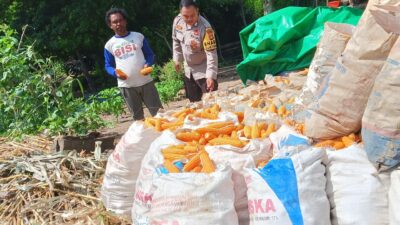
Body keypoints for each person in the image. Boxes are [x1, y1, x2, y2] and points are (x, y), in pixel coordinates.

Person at [104, 8, 162, 120]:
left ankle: (165, 136)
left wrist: (148, 64)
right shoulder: (109, 45)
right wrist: (115, 72)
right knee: (138, 119)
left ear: (125, 21)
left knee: (159, 113)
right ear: (110, 25)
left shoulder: (138, 36)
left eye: (120, 20)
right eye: (115, 22)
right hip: (127, 86)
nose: (118, 24)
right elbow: (108, 65)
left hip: (146, 82)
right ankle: (143, 137)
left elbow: (150, 55)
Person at [172, 0, 218, 102]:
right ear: (180, 12)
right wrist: (177, 59)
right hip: (188, 71)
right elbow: (175, 41)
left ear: (197, 11)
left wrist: (210, 76)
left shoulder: (206, 28)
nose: (189, 19)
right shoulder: (178, 21)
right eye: (185, 16)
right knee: (194, 105)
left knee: (211, 104)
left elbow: (211, 54)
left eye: (192, 16)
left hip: (203, 71)